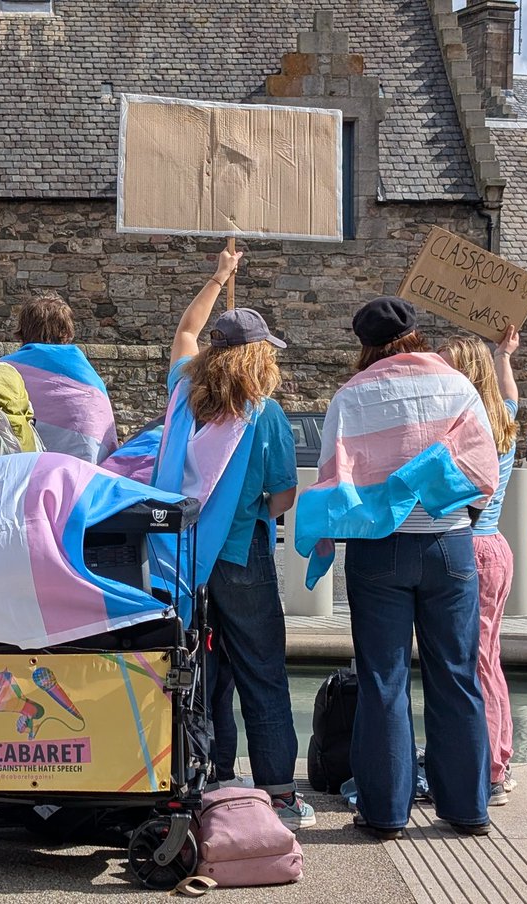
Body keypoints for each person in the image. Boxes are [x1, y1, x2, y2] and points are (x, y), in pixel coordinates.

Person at [295, 296, 499, 839]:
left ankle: (385, 813)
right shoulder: (458, 386)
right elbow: (484, 470)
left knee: (382, 681)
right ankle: (467, 809)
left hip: (377, 550)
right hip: (449, 545)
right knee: (456, 677)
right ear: (414, 335)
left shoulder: (352, 394)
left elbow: (332, 479)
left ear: (365, 344)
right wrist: (436, 497)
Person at [157, 250, 313, 830]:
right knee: (262, 670)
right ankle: (277, 791)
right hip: (240, 551)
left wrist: (219, 275)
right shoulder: (262, 413)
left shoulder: (181, 392)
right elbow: (281, 496)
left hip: (181, 553)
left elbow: (186, 330)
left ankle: (206, 774)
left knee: (194, 667)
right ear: (256, 356)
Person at [439, 326, 521, 807]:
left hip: (471, 548)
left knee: (475, 664)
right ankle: (499, 758)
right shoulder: (502, 417)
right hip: (496, 547)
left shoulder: (467, 428)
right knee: (488, 660)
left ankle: (489, 768)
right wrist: (504, 355)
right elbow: (509, 392)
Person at [0, 294, 118, 464]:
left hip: (29, 472)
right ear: (67, 331)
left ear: (23, 330)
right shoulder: (88, 376)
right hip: (87, 470)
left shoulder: (6, 370)